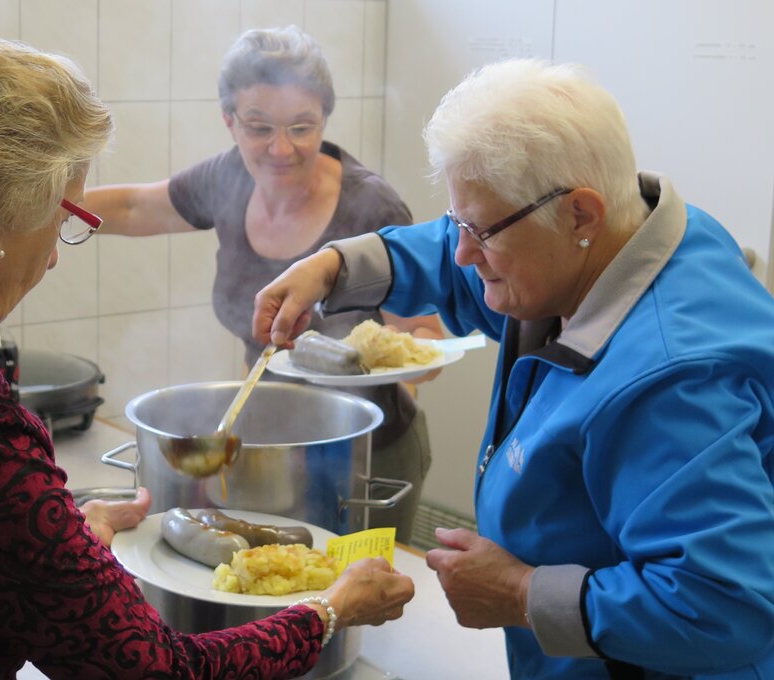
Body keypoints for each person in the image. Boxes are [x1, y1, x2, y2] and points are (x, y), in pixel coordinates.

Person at [0, 32, 414, 679]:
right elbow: (154, 668)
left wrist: (50, 541)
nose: (49, 257)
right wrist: (329, 610)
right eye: (62, 218)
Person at [251, 58, 774, 679]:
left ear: (581, 214)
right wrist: (336, 266)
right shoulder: (613, 238)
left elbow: (724, 608)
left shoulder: (671, 382)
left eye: (483, 230)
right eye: (459, 221)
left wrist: (522, 594)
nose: (465, 251)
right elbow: (454, 256)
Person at [84, 25, 444, 544]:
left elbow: (427, 337)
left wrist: (359, 384)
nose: (281, 148)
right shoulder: (225, 179)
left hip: (362, 454)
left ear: (324, 118)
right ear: (229, 121)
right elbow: (137, 205)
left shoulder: (371, 207)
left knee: (349, 600)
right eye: (259, 127)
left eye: (302, 127)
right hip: (265, 446)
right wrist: (46, 204)